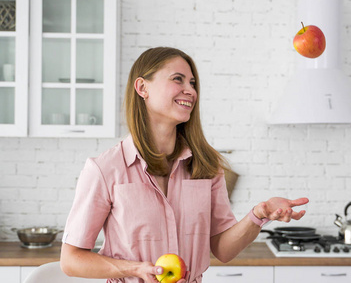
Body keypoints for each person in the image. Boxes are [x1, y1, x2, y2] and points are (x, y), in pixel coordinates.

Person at [60, 47, 309, 283]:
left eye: (192, 83)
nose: (190, 90)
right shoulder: (105, 169)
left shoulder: (206, 166)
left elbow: (222, 249)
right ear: (142, 87)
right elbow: (71, 260)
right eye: (177, 79)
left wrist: (259, 214)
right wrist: (134, 269)